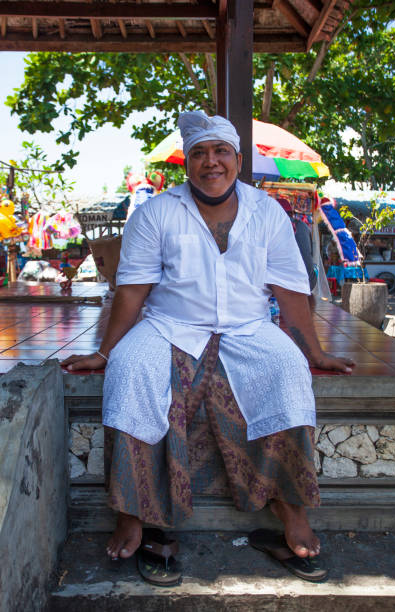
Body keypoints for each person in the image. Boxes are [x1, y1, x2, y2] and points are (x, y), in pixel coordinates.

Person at [62, 111, 354, 584]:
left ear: (238, 159)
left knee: (287, 371)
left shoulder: (268, 213)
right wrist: (105, 352)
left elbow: (289, 292)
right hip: (169, 326)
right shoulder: (155, 212)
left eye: (220, 152)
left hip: (248, 328)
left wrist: (313, 353)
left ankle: (293, 513)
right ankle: (133, 515)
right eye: (199, 153)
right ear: (187, 164)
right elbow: (132, 291)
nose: (210, 162)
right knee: (131, 369)